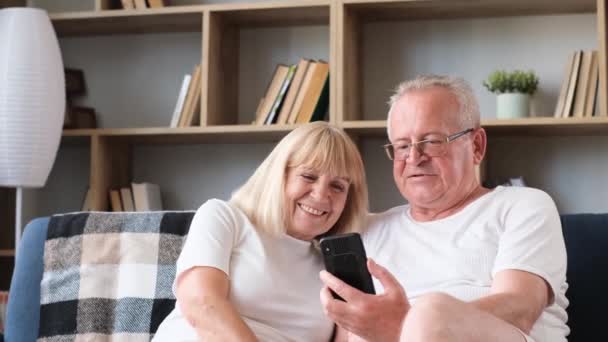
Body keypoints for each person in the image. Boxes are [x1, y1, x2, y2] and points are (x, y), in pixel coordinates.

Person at [320, 75, 568, 342]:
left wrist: (405, 327)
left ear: (476, 146)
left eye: (432, 141)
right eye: (402, 146)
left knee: (432, 311)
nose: (414, 158)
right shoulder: (366, 230)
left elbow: (521, 308)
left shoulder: (523, 206)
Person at [153, 121, 369, 341]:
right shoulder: (224, 216)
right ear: (278, 176)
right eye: (309, 176)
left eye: (338, 186)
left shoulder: (336, 267)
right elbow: (202, 304)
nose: (322, 195)